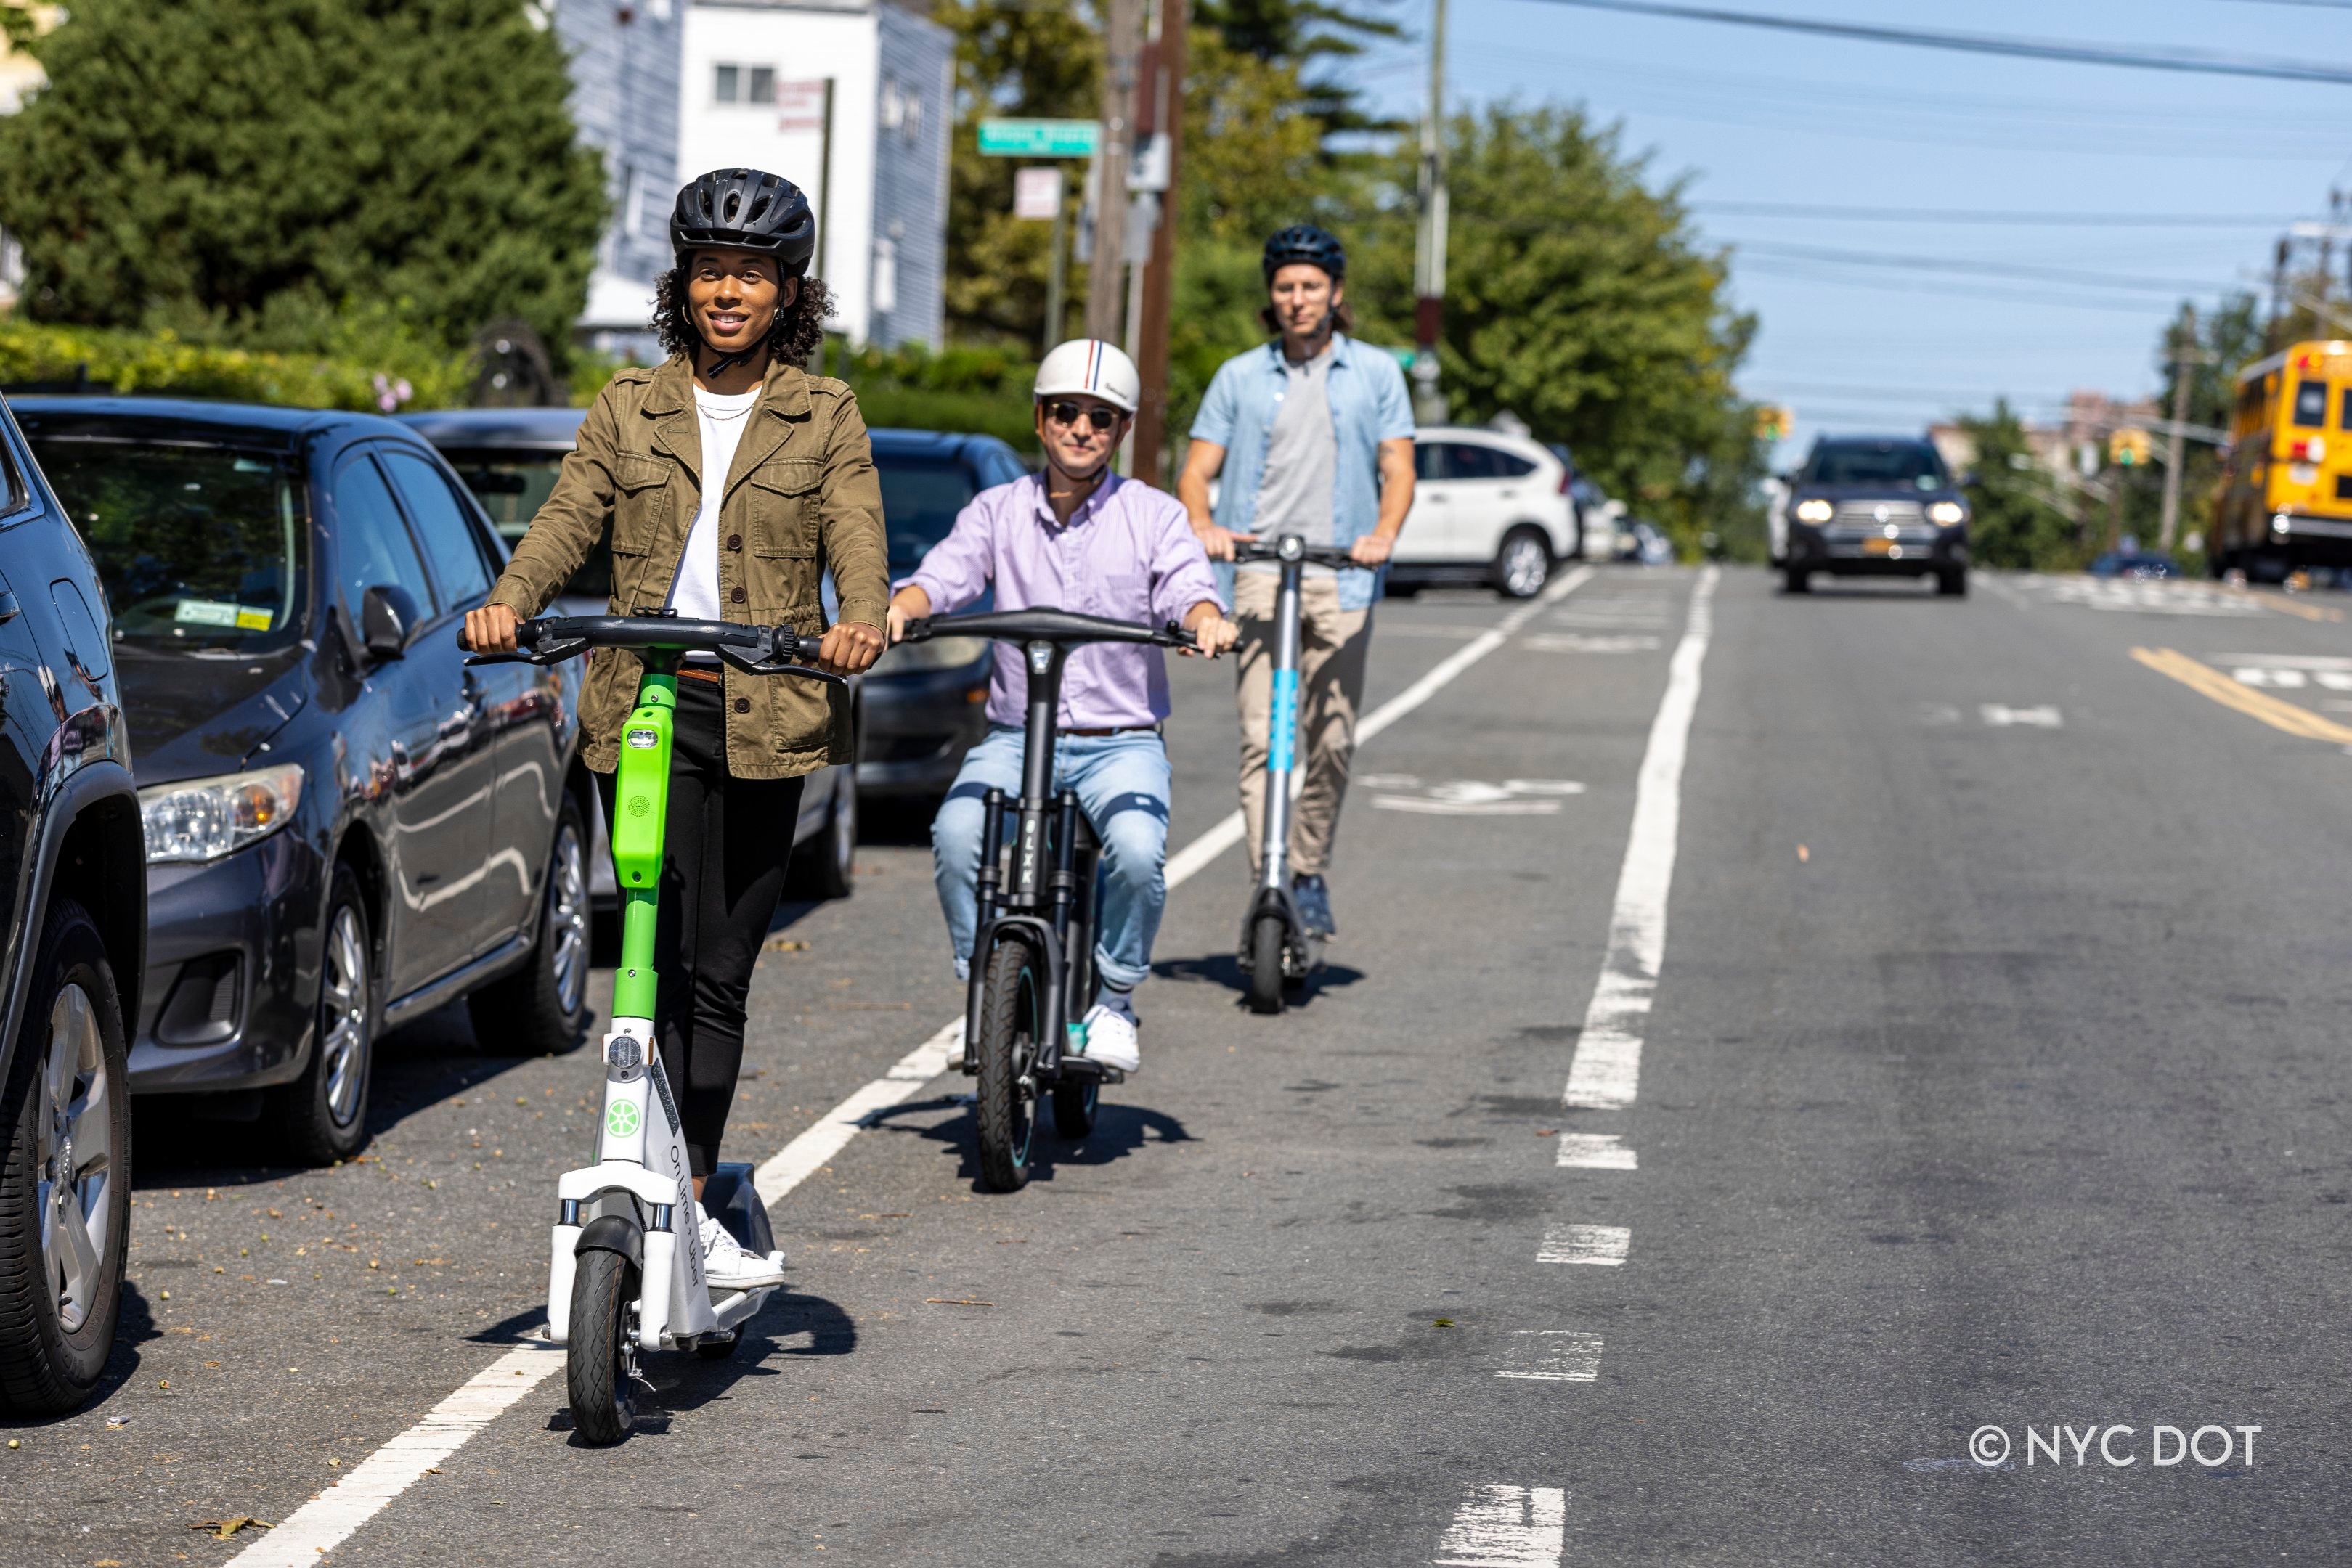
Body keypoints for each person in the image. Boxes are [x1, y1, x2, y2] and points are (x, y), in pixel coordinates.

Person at [461, 168, 887, 1289]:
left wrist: (862, 618)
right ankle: (636, 1162)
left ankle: (691, 1192)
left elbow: (854, 526)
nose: (727, 291)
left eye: (750, 273)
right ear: (683, 283)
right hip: (642, 701)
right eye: (709, 271)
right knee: (647, 949)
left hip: (763, 705)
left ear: (786, 291)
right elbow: (566, 519)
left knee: (718, 969)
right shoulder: (626, 406)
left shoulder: (823, 410)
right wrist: (513, 598)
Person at [889, 340, 1238, 1074]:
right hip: (1017, 736)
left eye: (1100, 418)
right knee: (955, 836)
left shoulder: (1153, 514)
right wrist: (906, 606)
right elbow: (946, 575)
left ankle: (1113, 999)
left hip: (1121, 739)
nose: (1081, 428)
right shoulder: (996, 510)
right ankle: (981, 992)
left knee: (1139, 855)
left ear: (1119, 430)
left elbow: (1184, 583)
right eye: (1065, 413)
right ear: (1041, 419)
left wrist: (1203, 615)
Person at [1176, 224, 1415, 943]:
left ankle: (1307, 868)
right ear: (1271, 297)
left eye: (1311, 286)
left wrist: (1381, 536)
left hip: (1340, 579)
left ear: (1334, 295)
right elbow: (1195, 473)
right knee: (1262, 738)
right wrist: (1203, 527)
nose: (1298, 299)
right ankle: (1269, 877)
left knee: (1332, 739)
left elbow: (1398, 468)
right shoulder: (1239, 377)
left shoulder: (1375, 374)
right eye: (1285, 287)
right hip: (1255, 577)